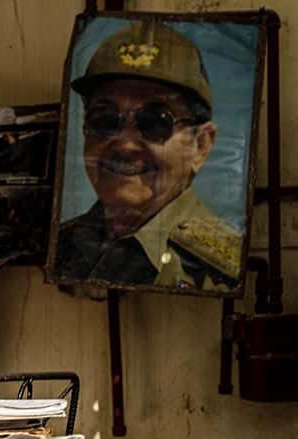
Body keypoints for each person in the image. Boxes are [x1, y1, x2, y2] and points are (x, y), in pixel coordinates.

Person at [54, 20, 241, 291]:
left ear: (199, 146)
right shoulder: (60, 246)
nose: (125, 144)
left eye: (155, 122)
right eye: (105, 119)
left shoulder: (220, 274)